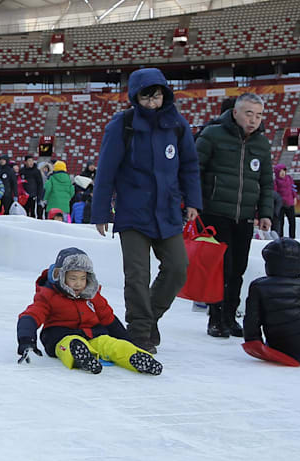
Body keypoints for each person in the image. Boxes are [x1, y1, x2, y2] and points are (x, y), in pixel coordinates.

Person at [91, 70, 201, 354]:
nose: (152, 101)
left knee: (178, 268)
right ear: (136, 97)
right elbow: (106, 170)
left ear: (165, 94)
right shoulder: (123, 125)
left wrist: (192, 201)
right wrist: (101, 211)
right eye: (146, 96)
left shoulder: (177, 125)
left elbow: (189, 165)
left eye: (157, 95)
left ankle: (149, 320)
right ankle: (140, 333)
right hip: (132, 213)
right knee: (137, 274)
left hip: (167, 212)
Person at [196, 92, 274, 339]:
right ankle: (215, 318)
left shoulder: (261, 144)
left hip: (244, 216)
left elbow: (266, 181)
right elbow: (193, 170)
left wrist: (266, 212)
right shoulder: (213, 135)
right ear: (236, 112)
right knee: (220, 268)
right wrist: (192, 204)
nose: (254, 120)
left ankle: (230, 316)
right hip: (214, 213)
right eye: (249, 114)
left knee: (238, 268)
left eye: (259, 115)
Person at [16, 247, 163, 375]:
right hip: (60, 336)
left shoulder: (92, 295)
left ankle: (136, 357)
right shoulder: (49, 295)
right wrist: (26, 340)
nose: (78, 283)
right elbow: (31, 316)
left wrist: (127, 341)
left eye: (83, 278)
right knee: (70, 343)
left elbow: (109, 319)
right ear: (60, 276)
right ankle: (80, 356)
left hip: (93, 334)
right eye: (73, 278)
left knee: (111, 344)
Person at [19, 155, 45, 220]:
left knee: (33, 212)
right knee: (24, 212)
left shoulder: (36, 171)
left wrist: (39, 196)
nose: (31, 162)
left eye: (32, 161)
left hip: (33, 195)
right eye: (29, 161)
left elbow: (40, 184)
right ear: (25, 162)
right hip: (24, 196)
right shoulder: (22, 171)